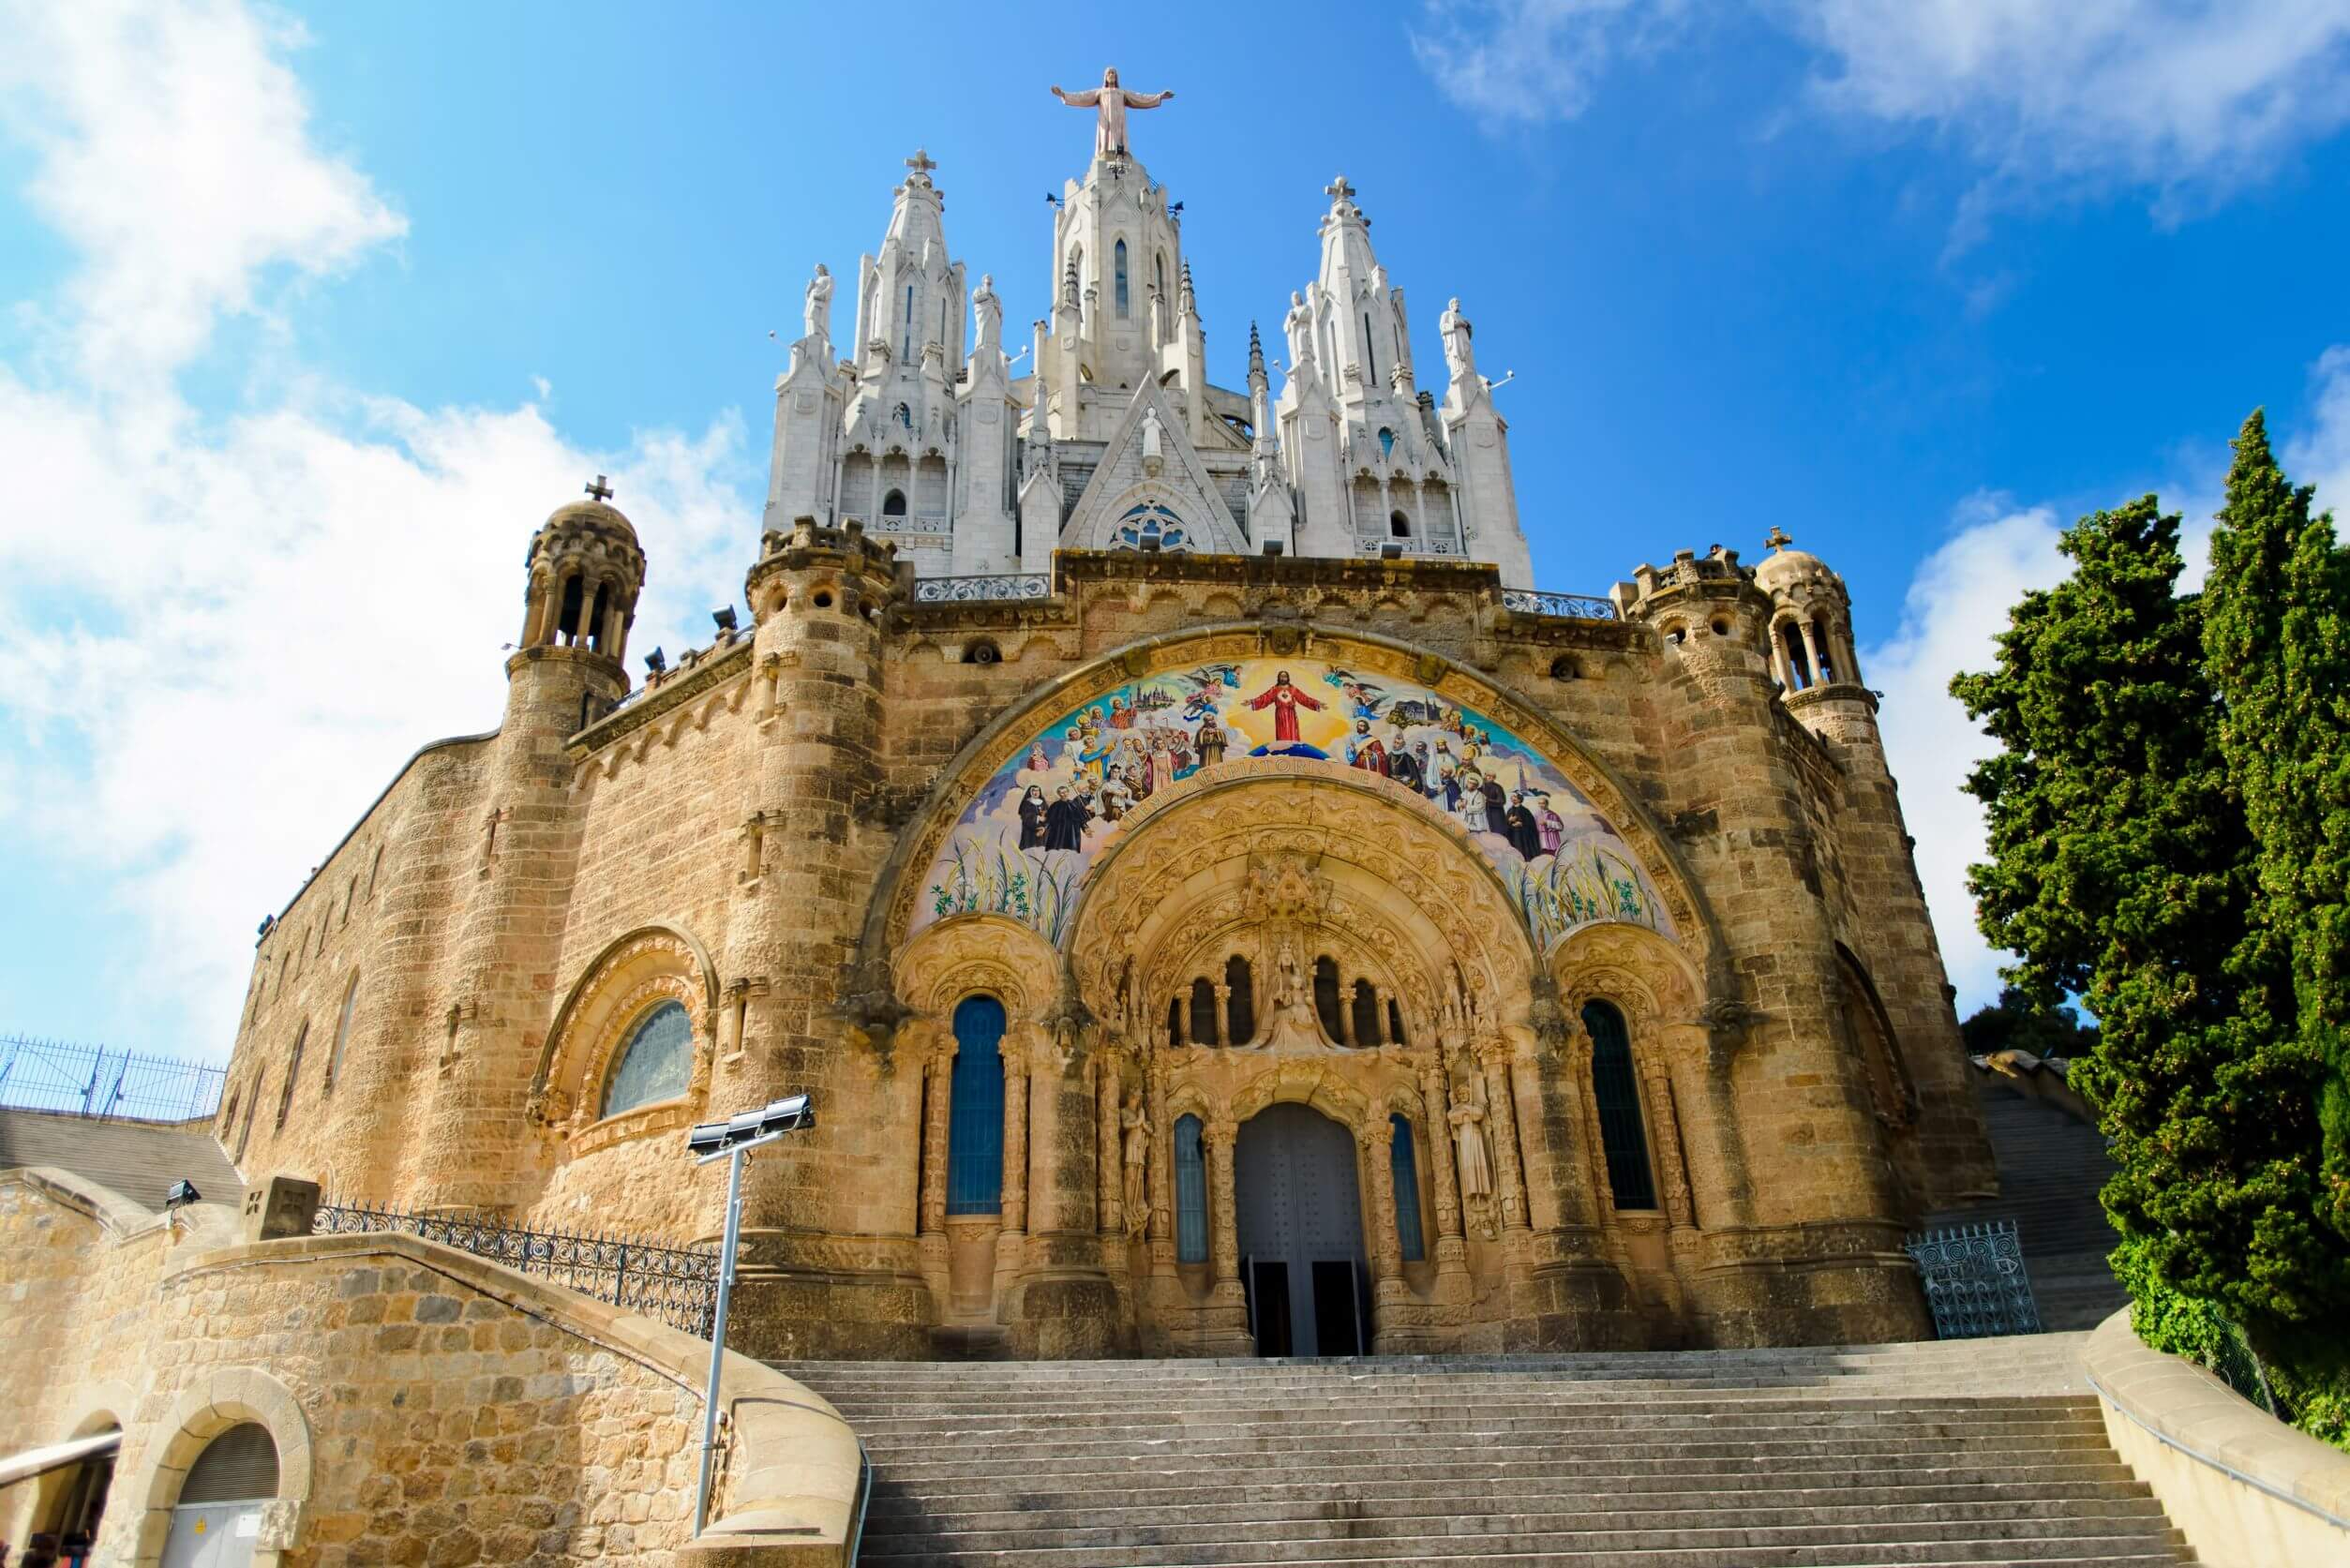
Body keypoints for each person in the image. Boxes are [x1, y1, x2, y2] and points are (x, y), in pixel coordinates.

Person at [1244, 668, 1325, 745]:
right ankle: (1283, 751)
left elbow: (1304, 699)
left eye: (1285, 676)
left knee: (1292, 733)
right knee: (1282, 734)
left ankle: (1294, 751)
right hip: (1280, 714)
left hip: (1291, 714)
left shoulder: (1293, 689)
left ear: (1288, 678)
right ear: (1279, 678)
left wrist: (1318, 703)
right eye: (1281, 676)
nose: (1283, 678)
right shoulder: (1274, 689)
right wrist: (1252, 701)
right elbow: (1265, 698)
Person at [1043, 785, 1088, 852]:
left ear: (1068, 792)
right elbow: (1049, 819)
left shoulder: (1075, 804)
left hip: (1072, 831)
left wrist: (1085, 828)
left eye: (1065, 792)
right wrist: (1044, 827)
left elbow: (1081, 818)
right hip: (1058, 831)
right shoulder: (1055, 805)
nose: (1064, 794)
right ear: (1058, 794)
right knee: (1057, 848)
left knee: (1072, 849)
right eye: (1062, 793)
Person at [1504, 790, 1545, 861]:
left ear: (1519, 799)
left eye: (1515, 797)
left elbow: (1531, 823)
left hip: (1523, 836)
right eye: (1512, 797)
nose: (1513, 798)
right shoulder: (1510, 810)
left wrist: (1522, 824)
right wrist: (1509, 820)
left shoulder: (1525, 811)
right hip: (1513, 835)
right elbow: (1506, 823)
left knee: (1523, 852)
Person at [1535, 792, 1567, 857]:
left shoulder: (1553, 814)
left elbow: (1561, 827)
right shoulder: (1536, 815)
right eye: (1539, 803)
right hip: (1541, 838)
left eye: (1543, 803)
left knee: (1553, 856)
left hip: (1552, 838)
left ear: (1547, 804)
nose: (1541, 805)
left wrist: (1547, 822)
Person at [1017, 784, 1048, 849]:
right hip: (1030, 831)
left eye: (1038, 790)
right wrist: (1038, 818)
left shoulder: (1043, 802)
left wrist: (1044, 827)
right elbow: (1025, 817)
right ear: (1030, 792)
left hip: (1043, 832)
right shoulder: (1026, 803)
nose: (1036, 792)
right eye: (1034, 790)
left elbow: (1048, 815)